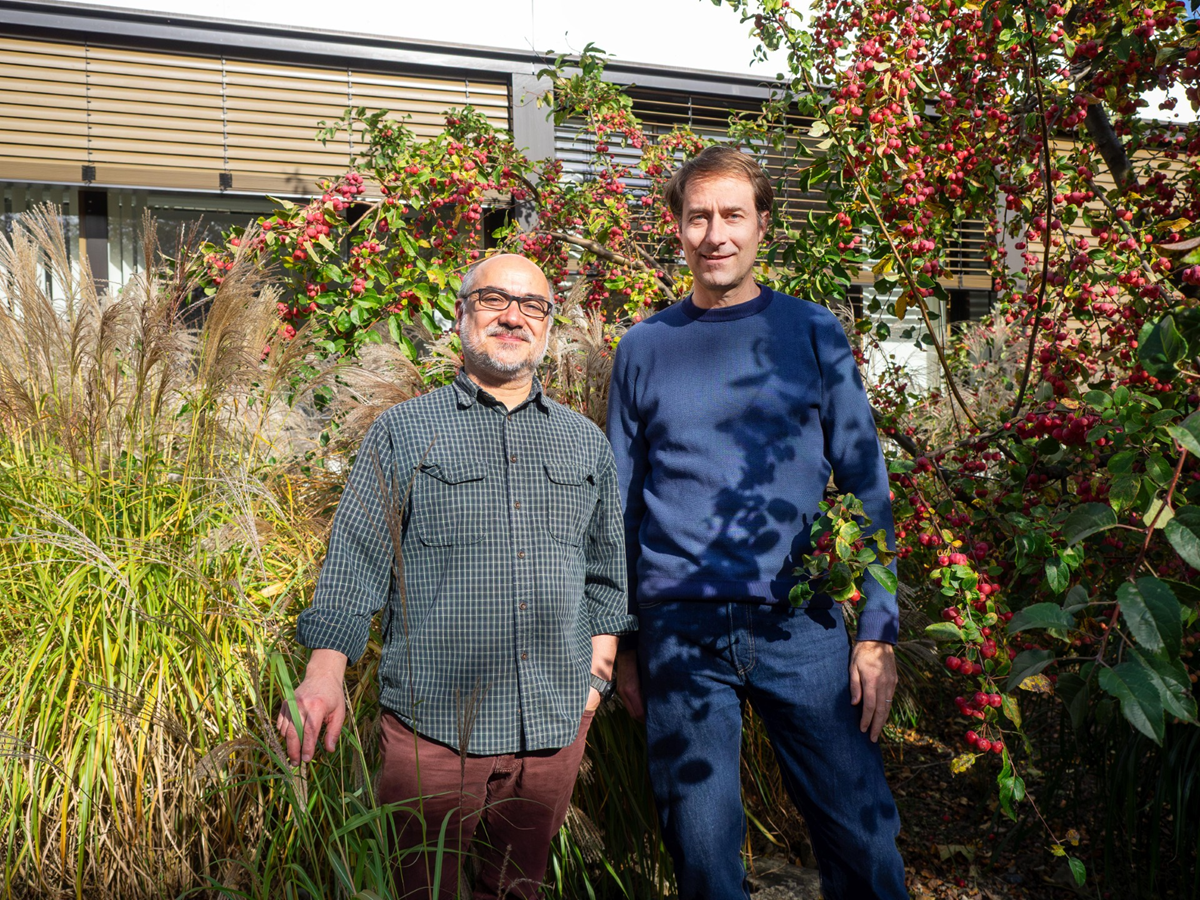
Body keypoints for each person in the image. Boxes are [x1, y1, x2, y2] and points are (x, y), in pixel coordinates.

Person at [278, 253, 634, 900]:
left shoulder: (587, 444)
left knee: (519, 888)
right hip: (434, 731)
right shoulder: (403, 432)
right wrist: (323, 672)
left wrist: (594, 683)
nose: (513, 316)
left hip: (553, 730)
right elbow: (356, 563)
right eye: (495, 298)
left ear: (549, 326)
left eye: (533, 305)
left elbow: (608, 574)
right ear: (462, 313)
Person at [606, 146, 909, 899]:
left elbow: (866, 484)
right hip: (681, 635)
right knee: (703, 856)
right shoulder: (643, 347)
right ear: (676, 227)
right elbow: (618, 500)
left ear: (762, 225)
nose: (716, 234)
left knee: (861, 836)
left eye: (732, 215)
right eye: (698, 216)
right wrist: (627, 641)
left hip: (800, 624)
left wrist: (876, 630)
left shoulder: (811, 333)